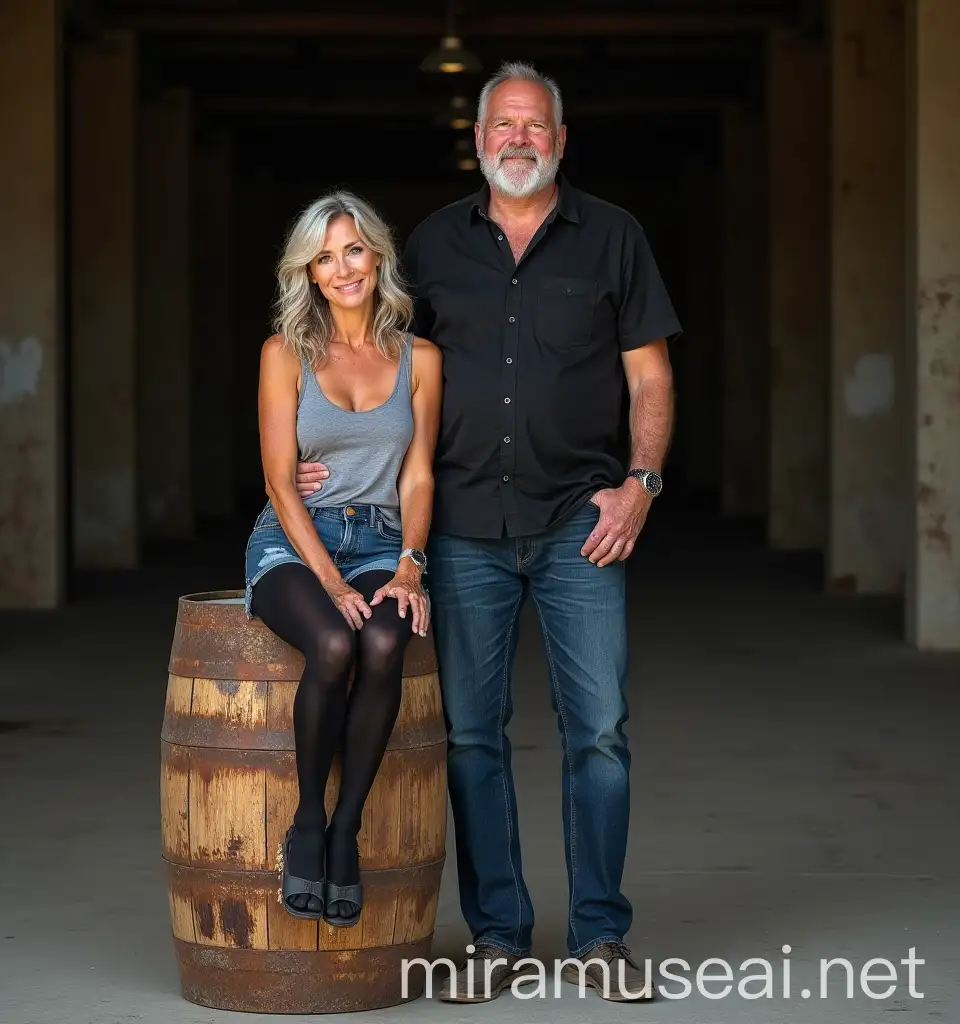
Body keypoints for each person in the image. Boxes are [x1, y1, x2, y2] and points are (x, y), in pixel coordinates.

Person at [297, 62, 680, 998]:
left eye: (534, 126)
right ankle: (498, 935)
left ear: (559, 139)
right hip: (461, 529)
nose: (518, 139)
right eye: (502, 126)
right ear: (478, 143)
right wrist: (320, 451)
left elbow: (652, 380)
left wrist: (641, 485)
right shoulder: (429, 246)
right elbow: (361, 350)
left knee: (600, 732)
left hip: (579, 526)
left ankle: (599, 936)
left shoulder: (616, 238)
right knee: (474, 735)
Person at [245, 190, 441, 930]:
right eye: (324, 257)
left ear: (378, 254)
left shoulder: (421, 358)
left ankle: (347, 828)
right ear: (310, 273)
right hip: (295, 538)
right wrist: (329, 581)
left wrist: (410, 564)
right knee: (334, 639)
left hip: (384, 537)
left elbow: (420, 473)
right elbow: (276, 477)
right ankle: (306, 824)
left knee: (387, 637)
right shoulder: (283, 353)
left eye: (353, 249)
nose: (342, 267)